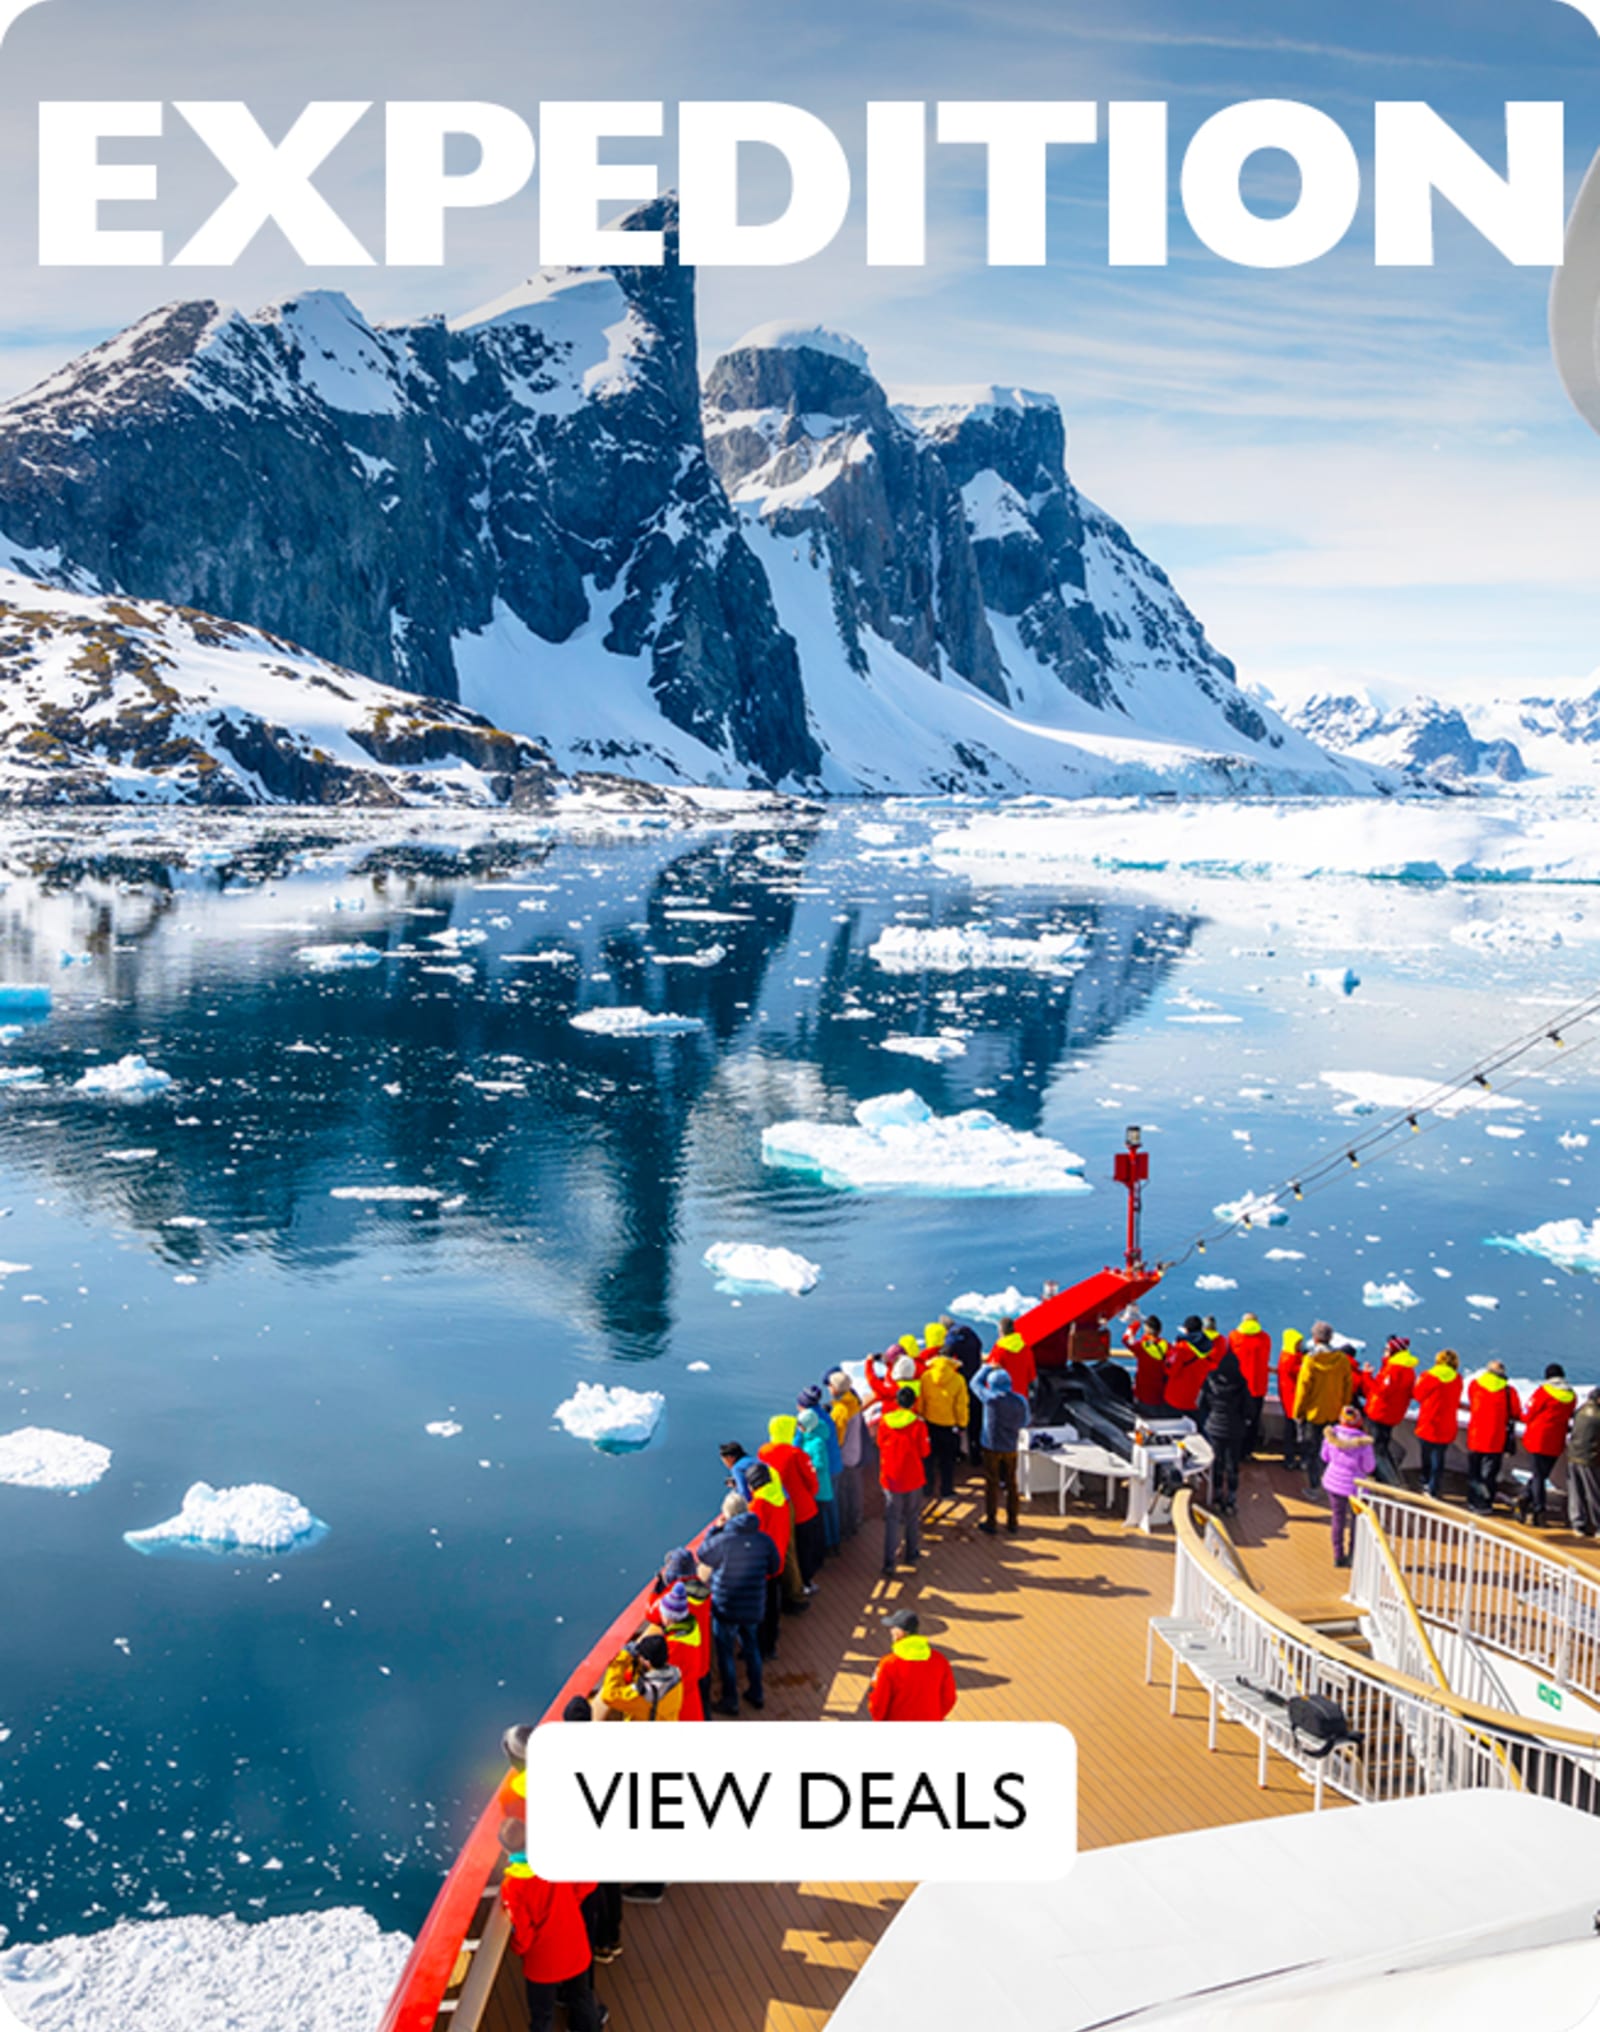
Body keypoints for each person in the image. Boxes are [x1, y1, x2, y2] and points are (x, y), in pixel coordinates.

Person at [500, 1831, 605, 2032]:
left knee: (543, 2015)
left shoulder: (513, 1886)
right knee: (582, 1997)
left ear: (507, 1850)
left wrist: (519, 1947)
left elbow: (522, 1929)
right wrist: (570, 1904)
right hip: (574, 1944)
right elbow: (588, 1882)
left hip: (543, 1960)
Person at [697, 1491, 781, 1714]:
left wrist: (715, 1528)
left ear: (727, 1515)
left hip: (726, 1607)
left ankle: (731, 1700)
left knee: (725, 1654)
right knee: (752, 1647)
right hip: (753, 1606)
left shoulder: (723, 1540)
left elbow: (703, 1554)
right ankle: (756, 1692)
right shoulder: (763, 1540)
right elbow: (774, 1567)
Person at [647, 1547, 713, 1719]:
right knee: (703, 1703)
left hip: (686, 1676)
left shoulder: (674, 1596)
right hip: (703, 1660)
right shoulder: (702, 1589)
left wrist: (657, 1591)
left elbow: (651, 1613)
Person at [761, 1415, 823, 1589]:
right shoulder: (797, 1455)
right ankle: (805, 1583)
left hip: (778, 1509)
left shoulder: (764, 1452)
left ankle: (787, 1586)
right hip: (802, 1509)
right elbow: (812, 1483)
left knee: (786, 1550)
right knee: (805, 1548)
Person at [742, 1460, 797, 1652]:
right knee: (773, 1604)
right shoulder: (780, 1497)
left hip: (760, 1567)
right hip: (777, 1559)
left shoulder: (759, 1505)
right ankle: (771, 1642)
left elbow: (751, 1532)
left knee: (760, 1608)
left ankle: (761, 1646)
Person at [867, 1608, 958, 1721]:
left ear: (900, 1633)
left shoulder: (888, 1664)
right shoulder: (940, 1661)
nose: (891, 1631)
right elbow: (949, 1698)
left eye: (893, 1628)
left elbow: (878, 1703)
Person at [1293, 1330, 1354, 1492]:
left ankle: (1315, 1486)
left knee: (1313, 1451)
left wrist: (1298, 1412)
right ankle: (1331, 1482)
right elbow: (1348, 1386)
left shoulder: (1310, 1361)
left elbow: (1303, 1390)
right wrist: (1344, 1408)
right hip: (1334, 1413)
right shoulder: (1342, 1360)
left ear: (1315, 1338)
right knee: (1331, 1450)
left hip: (1314, 1414)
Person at [878, 1384, 930, 1575]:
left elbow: (879, 1443)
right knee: (912, 1516)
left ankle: (889, 1563)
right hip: (913, 1477)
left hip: (891, 1478)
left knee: (892, 1519)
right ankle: (911, 1553)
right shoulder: (918, 1425)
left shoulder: (885, 1422)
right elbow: (925, 1451)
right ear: (914, 1403)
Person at [973, 1356, 1028, 1535]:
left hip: (991, 1446)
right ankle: (1013, 1522)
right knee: (1012, 1484)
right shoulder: (1020, 1400)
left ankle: (991, 1521)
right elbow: (1026, 1420)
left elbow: (975, 1383)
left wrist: (988, 1367)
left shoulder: (991, 1399)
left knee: (992, 1484)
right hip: (1011, 1446)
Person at [1518, 1365, 1577, 1526]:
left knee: (1538, 1476)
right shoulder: (1571, 1395)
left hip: (1538, 1439)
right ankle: (1524, 1498)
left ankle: (1538, 1510)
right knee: (1541, 1475)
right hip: (1556, 1442)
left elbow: (1528, 1413)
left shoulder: (1543, 1392)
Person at [1196, 1347, 1250, 1517]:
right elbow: (1248, 1409)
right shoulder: (1241, 1384)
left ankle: (1217, 1494)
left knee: (1217, 1462)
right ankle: (1231, 1498)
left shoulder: (1210, 1381)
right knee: (1232, 1464)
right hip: (1235, 1429)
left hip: (1214, 1428)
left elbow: (1201, 1403)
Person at [1320, 1406, 1376, 1567]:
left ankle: (1338, 1555)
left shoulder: (1331, 1436)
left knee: (1338, 1519)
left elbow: (1324, 1457)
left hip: (1334, 1483)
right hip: (1355, 1487)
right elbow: (1369, 1467)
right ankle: (1353, 1555)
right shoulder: (1364, 1443)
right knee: (1356, 1522)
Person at [1465, 1359, 1522, 1514]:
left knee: (1474, 1472)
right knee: (1489, 1474)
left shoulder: (1475, 1385)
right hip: (1495, 1439)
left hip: (1475, 1436)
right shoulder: (1509, 1391)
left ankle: (1473, 1502)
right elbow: (1515, 1412)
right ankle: (1484, 1504)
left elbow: (1471, 1400)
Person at [920, 1334, 970, 1503]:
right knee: (947, 1461)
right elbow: (961, 1405)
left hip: (929, 1423)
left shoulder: (926, 1377)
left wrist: (922, 1416)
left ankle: (927, 1489)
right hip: (949, 1427)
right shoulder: (958, 1380)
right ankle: (946, 1490)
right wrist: (962, 1424)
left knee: (929, 1458)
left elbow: (922, 1400)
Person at [1364, 1336, 1419, 1488]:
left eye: (1387, 1350)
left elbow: (1381, 1391)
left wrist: (1367, 1376)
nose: (1385, 1352)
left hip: (1380, 1413)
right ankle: (1385, 1476)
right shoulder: (1408, 1370)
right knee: (1383, 1444)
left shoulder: (1393, 1370)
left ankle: (1392, 1482)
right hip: (1392, 1414)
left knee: (1378, 1448)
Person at [598, 1629, 683, 1722]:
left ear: (647, 1662)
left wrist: (622, 1660)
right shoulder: (675, 1677)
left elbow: (609, 1696)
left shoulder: (644, 1692)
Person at [1414, 1349, 1464, 1500]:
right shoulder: (1457, 1379)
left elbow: (1418, 1394)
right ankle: (1433, 1488)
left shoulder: (1428, 1376)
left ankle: (1424, 1481)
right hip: (1447, 1424)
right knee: (1439, 1458)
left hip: (1428, 1422)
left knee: (1426, 1455)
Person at [797, 1401, 841, 1554]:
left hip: (819, 1488)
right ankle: (834, 1544)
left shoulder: (816, 1442)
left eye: (800, 1425)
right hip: (822, 1486)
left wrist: (806, 1468)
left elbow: (820, 1464)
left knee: (823, 1519)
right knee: (828, 1516)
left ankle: (828, 1546)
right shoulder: (815, 1435)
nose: (798, 1428)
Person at [1228, 1311, 1273, 1458]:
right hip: (1258, 1387)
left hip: (1238, 1387)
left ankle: (1235, 1451)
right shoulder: (1265, 1338)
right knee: (1253, 1421)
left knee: (1236, 1419)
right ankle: (1248, 1451)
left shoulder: (1234, 1337)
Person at [828, 1370, 865, 1538]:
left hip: (845, 1457)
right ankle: (856, 1520)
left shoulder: (841, 1410)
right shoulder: (854, 1402)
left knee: (843, 1494)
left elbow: (838, 1439)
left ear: (836, 1388)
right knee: (854, 1490)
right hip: (856, 1451)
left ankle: (846, 1528)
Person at [1164, 1315, 1220, 1416]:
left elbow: (1170, 1369)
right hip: (1197, 1398)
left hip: (1178, 1397)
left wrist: (1171, 1352)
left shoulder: (1182, 1348)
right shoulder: (1211, 1346)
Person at [1567, 1388, 1600, 1536]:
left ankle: (1577, 1524)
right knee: (1594, 1494)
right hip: (1589, 1459)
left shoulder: (1581, 1410)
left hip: (1573, 1455)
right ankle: (1598, 1525)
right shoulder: (1597, 1416)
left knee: (1576, 1493)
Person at [1123, 1311, 1170, 1413]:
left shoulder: (1141, 1347)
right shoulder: (1167, 1346)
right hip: (1160, 1393)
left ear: (1146, 1330)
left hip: (1143, 1393)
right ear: (1160, 1330)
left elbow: (1126, 1339)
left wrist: (1135, 1324)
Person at [989, 1318, 1037, 1403]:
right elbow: (1031, 1376)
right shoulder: (1026, 1349)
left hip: (1003, 1398)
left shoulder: (999, 1350)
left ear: (1001, 1332)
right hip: (1021, 1398)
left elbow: (990, 1376)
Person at [1277, 1330, 1305, 1467]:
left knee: (1291, 1430)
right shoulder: (1290, 1360)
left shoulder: (1287, 1356)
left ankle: (1290, 1458)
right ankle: (1290, 1458)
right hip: (1292, 1399)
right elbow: (1299, 1372)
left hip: (1290, 1397)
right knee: (1292, 1430)